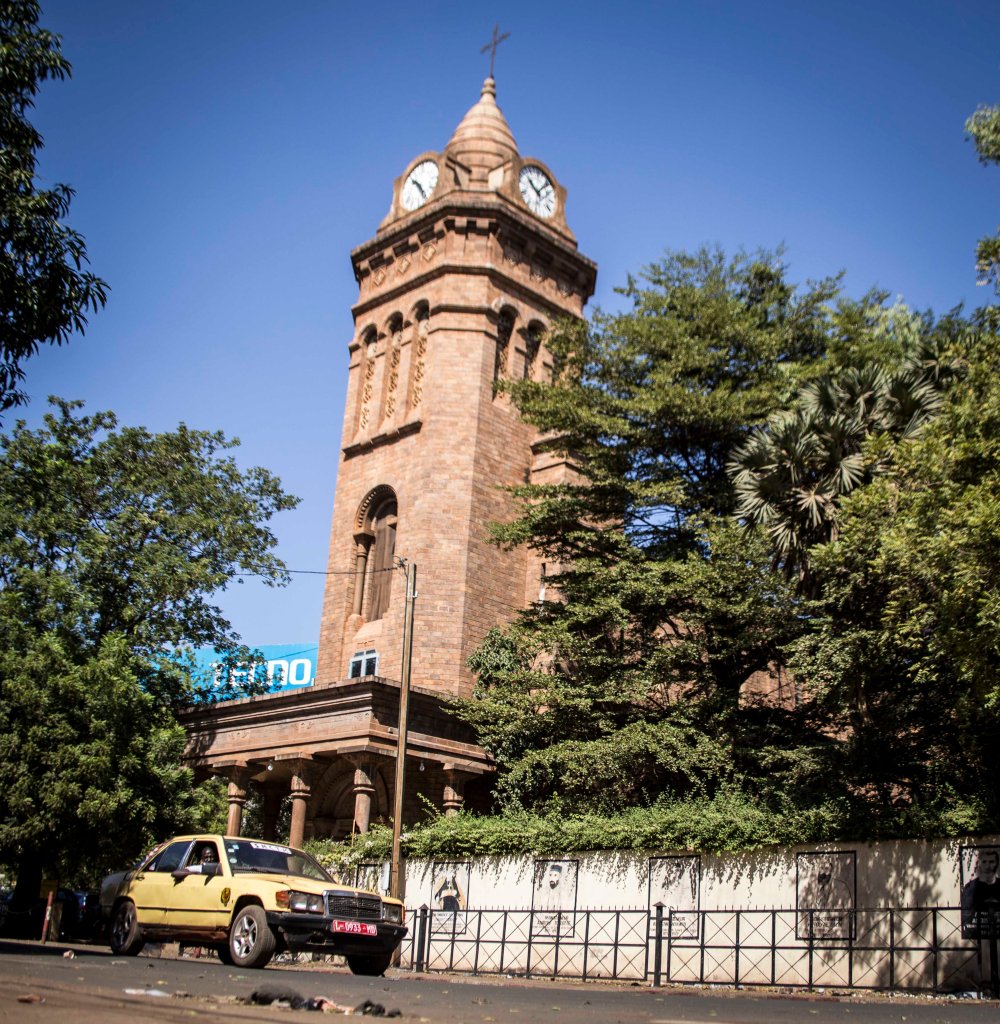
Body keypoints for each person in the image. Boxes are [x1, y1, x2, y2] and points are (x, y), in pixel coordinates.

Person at [961, 847, 1000, 939]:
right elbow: (967, 919)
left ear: (997, 863)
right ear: (979, 864)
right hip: (978, 931)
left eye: (991, 862)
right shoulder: (970, 888)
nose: (988, 866)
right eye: (984, 862)